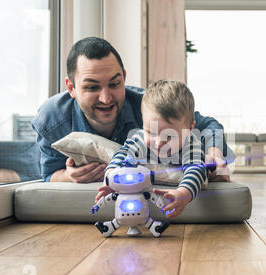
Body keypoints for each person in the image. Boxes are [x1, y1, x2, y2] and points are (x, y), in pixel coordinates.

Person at [31, 36, 234, 183]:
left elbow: (207, 124)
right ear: (71, 88)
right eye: (92, 87)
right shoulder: (51, 119)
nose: (106, 98)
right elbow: (48, 175)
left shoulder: (148, 105)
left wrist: (214, 152)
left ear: (124, 78)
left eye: (115, 84)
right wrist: (68, 176)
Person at [96, 80, 206, 219]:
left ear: (189, 129)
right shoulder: (140, 139)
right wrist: (111, 177)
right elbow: (122, 154)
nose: (159, 142)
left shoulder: (190, 144)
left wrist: (183, 193)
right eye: (151, 133)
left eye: (169, 136)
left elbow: (196, 168)